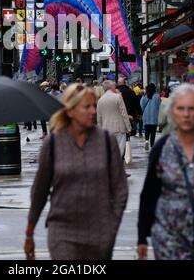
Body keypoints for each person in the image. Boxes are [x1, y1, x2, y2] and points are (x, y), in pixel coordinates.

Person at [24, 83, 128, 260]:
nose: (93, 111)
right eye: (86, 107)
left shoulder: (106, 141)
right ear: (70, 111)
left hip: (100, 231)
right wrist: (30, 231)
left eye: (94, 106)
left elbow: (120, 188)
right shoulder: (53, 143)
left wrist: (112, 222)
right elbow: (39, 190)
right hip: (63, 231)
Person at [137, 83, 194, 260]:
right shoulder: (163, 147)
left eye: (191, 109)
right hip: (169, 238)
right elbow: (149, 193)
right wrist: (142, 237)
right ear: (172, 113)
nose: (186, 114)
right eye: (180, 108)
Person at [97, 81, 131, 157]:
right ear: (111, 87)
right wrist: (128, 127)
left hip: (106, 129)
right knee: (120, 150)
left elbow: (99, 118)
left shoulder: (100, 100)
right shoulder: (118, 97)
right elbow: (124, 113)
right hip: (119, 128)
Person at [140, 83, 161, 150]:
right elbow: (159, 106)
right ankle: (152, 144)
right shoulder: (157, 96)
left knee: (147, 129)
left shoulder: (145, 96)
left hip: (146, 116)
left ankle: (146, 141)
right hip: (154, 116)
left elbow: (142, 106)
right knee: (153, 131)